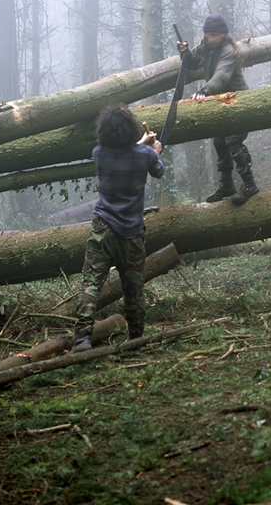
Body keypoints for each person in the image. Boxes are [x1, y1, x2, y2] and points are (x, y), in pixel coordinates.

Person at [69, 103, 164, 354]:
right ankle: (135, 338)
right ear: (131, 128)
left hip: (102, 229)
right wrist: (154, 149)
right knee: (133, 288)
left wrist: (143, 146)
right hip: (132, 233)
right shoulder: (145, 155)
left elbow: (124, 152)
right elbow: (158, 170)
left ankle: (81, 339)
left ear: (105, 131)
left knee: (91, 284)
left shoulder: (99, 153)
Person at [177, 13, 258, 206]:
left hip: (239, 102)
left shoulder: (229, 51)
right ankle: (227, 185)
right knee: (219, 142)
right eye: (208, 35)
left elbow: (221, 76)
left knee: (233, 142)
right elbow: (192, 64)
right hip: (221, 104)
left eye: (213, 35)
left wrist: (205, 90)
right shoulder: (206, 46)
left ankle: (249, 184)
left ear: (223, 34)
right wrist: (184, 52)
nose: (210, 39)